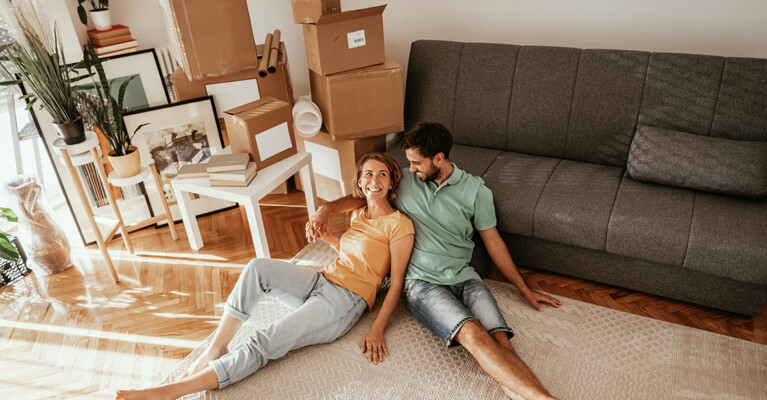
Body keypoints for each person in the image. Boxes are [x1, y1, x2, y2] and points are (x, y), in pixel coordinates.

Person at [116, 152, 414, 400]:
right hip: (323, 280)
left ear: (392, 183)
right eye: (368, 174)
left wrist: (377, 329)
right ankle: (217, 347)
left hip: (344, 301)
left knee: (265, 339)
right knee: (257, 268)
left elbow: (396, 282)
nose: (374, 180)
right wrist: (331, 239)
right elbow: (357, 252)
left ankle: (172, 392)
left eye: (382, 175)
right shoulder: (358, 212)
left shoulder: (398, 225)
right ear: (360, 182)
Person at [306, 122, 561, 400]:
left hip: (465, 276)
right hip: (423, 284)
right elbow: (364, 197)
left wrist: (523, 288)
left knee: (502, 345)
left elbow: (493, 242)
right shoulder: (404, 180)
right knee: (474, 335)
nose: (411, 169)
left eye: (417, 163)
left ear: (439, 158)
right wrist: (326, 208)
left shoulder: (477, 192)